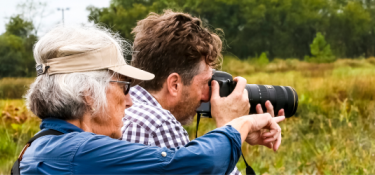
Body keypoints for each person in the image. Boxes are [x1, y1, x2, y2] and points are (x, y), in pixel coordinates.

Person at [16, 25, 284, 174]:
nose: (130, 100)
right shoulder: (81, 153)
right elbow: (192, 164)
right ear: (88, 94)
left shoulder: (43, 147)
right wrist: (239, 126)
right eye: (123, 86)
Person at [120, 11, 284, 175]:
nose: (208, 97)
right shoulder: (158, 125)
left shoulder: (121, 110)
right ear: (174, 84)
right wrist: (230, 131)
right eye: (205, 83)